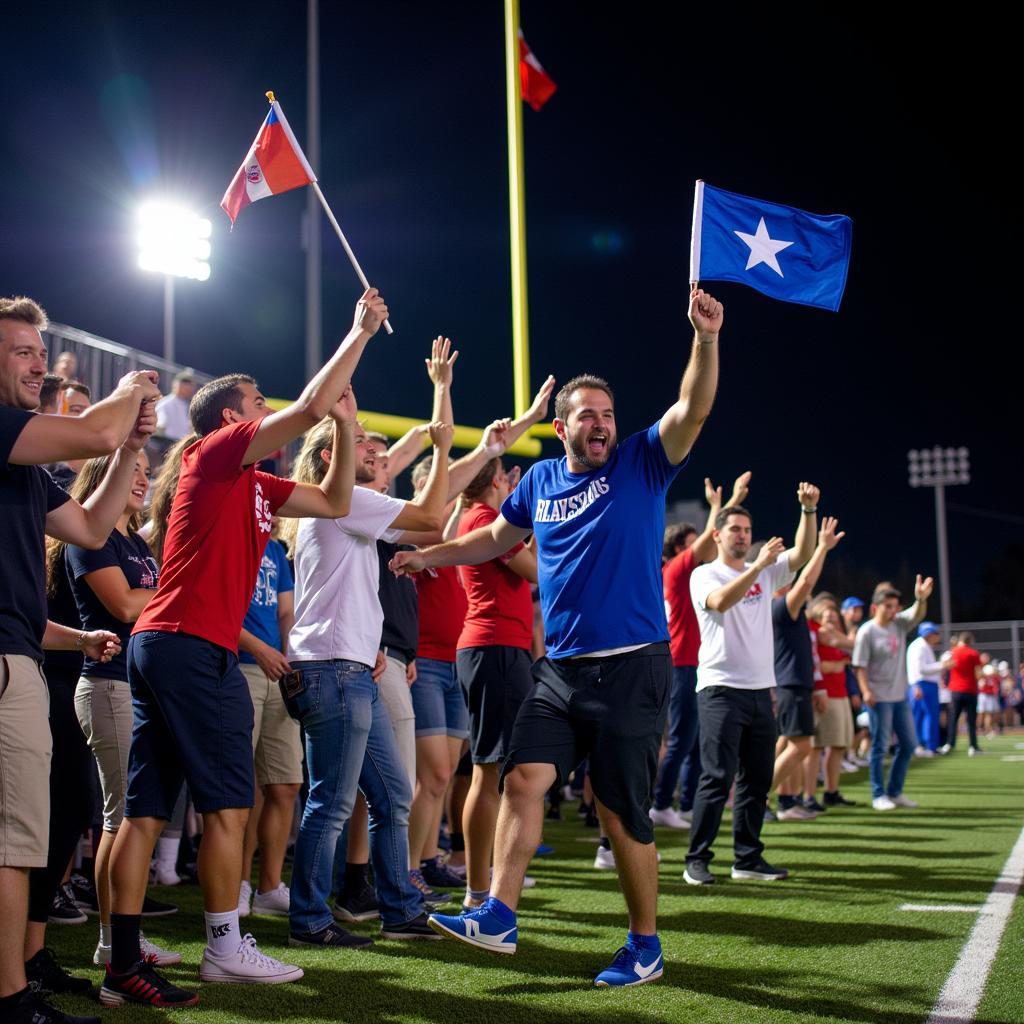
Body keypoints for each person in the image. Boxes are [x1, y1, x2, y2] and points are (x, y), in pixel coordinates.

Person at [391, 285, 724, 987]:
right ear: (565, 427)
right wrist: (430, 555)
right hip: (561, 669)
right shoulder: (539, 477)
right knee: (522, 778)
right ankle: (499, 914)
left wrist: (704, 339)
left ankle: (644, 944)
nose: (600, 424)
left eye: (607, 414)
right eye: (587, 416)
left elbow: (692, 407)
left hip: (633, 665)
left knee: (620, 809)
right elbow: (493, 538)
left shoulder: (643, 459)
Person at [102, 288, 387, 1008]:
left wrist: (348, 428)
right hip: (192, 646)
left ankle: (119, 956)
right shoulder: (217, 450)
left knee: (142, 812)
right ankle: (225, 946)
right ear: (233, 418)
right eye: (258, 402)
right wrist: (358, 333)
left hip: (163, 643)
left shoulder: (253, 481)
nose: (268, 410)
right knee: (229, 807)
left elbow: (331, 500)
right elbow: (309, 408)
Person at [2, 294, 160, 1024]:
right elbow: (93, 427)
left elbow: (92, 524)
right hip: (7, 662)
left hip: (24, 657)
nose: (38, 363)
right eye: (23, 352)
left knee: (36, 829)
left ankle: (22, 973)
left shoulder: (27, 468)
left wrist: (129, 447)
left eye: (41, 350)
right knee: (15, 838)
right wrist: (127, 399)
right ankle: (10, 999)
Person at [283, 409, 453, 946]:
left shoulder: (336, 506)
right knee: (331, 803)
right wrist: (443, 450)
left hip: (349, 666)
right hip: (335, 672)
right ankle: (309, 920)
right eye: (359, 445)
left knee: (392, 795)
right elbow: (431, 517)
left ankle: (398, 907)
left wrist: (368, 646)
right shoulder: (347, 501)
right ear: (330, 457)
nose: (376, 456)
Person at [60, 453, 180, 969]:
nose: (141, 479)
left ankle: (120, 940)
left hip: (135, 686)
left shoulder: (135, 541)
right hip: (107, 686)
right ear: (100, 479)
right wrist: (175, 593)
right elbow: (126, 606)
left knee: (132, 816)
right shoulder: (92, 537)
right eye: (128, 470)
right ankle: (114, 945)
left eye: (144, 472)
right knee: (121, 818)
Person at [683, 483, 820, 886]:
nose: (742, 535)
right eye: (735, 529)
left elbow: (802, 553)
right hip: (720, 689)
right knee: (716, 778)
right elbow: (721, 602)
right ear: (718, 535)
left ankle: (747, 858)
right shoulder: (704, 574)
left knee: (757, 781)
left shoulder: (764, 569)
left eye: (747, 529)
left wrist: (807, 512)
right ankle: (697, 859)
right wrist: (758, 568)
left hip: (762, 690)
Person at [649, 472, 750, 834]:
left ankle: (685, 802)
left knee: (691, 739)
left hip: (693, 663)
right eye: (693, 545)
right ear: (679, 550)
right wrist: (722, 506)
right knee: (680, 739)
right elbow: (711, 538)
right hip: (681, 664)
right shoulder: (678, 570)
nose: (705, 552)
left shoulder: (691, 574)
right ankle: (661, 803)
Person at [236, 522, 301, 919]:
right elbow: (215, 607)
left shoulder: (276, 549)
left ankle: (269, 886)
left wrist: (289, 659)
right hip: (238, 665)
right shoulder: (230, 535)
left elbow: (287, 612)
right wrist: (260, 649)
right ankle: (239, 884)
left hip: (278, 670)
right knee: (242, 788)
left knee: (285, 783)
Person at [771, 516, 844, 820]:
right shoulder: (781, 605)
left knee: (789, 742)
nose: (792, 577)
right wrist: (822, 548)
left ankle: (784, 801)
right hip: (789, 683)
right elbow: (807, 581)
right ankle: (756, 797)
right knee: (800, 745)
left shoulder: (793, 610)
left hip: (795, 684)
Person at [852, 578, 934, 809]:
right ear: (875, 607)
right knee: (879, 746)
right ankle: (879, 795)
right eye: (888, 606)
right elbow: (860, 666)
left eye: (895, 606)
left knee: (908, 744)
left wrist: (920, 598)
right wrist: (866, 690)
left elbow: (917, 614)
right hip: (878, 697)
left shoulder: (899, 624)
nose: (893, 610)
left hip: (900, 696)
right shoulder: (866, 632)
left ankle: (895, 791)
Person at [907, 622, 948, 755]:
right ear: (929, 634)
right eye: (935, 633)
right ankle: (928, 745)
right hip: (924, 684)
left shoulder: (922, 646)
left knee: (923, 716)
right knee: (929, 715)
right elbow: (921, 669)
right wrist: (942, 665)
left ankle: (923, 745)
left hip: (923, 683)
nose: (938, 636)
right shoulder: (920, 646)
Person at [940, 631, 983, 755]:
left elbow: (945, 667)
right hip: (970, 690)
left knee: (953, 719)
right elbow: (978, 672)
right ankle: (972, 746)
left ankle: (949, 744)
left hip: (956, 690)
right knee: (971, 720)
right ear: (970, 641)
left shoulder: (952, 652)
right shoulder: (973, 653)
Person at [154, 371, 196, 441]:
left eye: (191, 385)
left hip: (182, 443)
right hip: (167, 443)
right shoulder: (166, 403)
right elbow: (159, 426)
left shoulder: (188, 405)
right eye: (186, 384)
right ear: (177, 384)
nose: (190, 388)